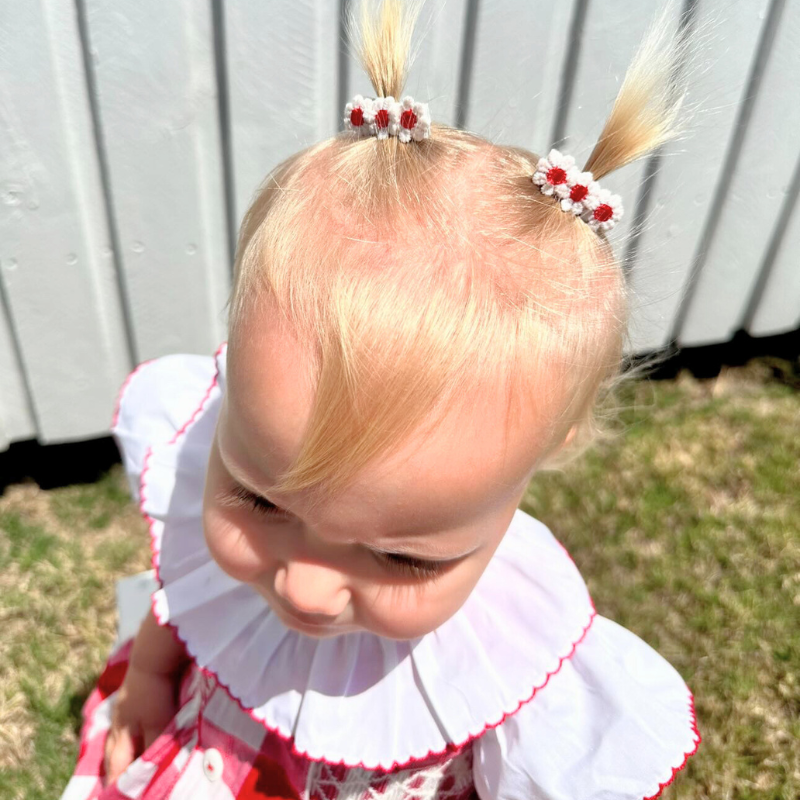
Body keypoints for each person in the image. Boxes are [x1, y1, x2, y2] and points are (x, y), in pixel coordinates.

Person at [59, 1, 701, 798]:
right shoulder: (228, 489)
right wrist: (151, 678)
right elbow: (189, 595)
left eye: (403, 558)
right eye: (258, 501)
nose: (303, 587)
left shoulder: (513, 656)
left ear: (551, 445)